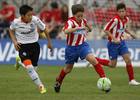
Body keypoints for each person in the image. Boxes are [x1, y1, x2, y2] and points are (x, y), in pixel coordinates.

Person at [54, 4, 110, 93]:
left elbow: (90, 29)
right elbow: (66, 31)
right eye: (78, 16)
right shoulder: (70, 22)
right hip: (71, 48)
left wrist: (88, 29)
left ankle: (104, 80)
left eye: (81, 15)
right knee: (68, 69)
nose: (80, 18)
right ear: (73, 15)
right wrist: (76, 28)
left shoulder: (84, 20)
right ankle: (59, 80)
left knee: (93, 60)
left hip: (82, 45)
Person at [86, 3, 140, 85]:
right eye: (120, 11)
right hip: (113, 44)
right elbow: (106, 29)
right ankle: (94, 59)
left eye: (123, 11)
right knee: (112, 65)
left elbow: (123, 28)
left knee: (128, 59)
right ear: (117, 12)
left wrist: (130, 33)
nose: (122, 13)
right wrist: (114, 39)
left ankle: (131, 80)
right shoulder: (115, 20)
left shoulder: (126, 19)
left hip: (122, 43)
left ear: (125, 11)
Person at [9, 5, 53, 94]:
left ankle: (19, 62)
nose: (31, 17)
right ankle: (41, 86)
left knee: (34, 68)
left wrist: (49, 43)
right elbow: (10, 30)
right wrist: (14, 42)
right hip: (22, 46)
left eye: (31, 15)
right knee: (30, 68)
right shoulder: (16, 22)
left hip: (35, 46)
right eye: (28, 15)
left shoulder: (35, 20)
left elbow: (45, 29)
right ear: (22, 15)